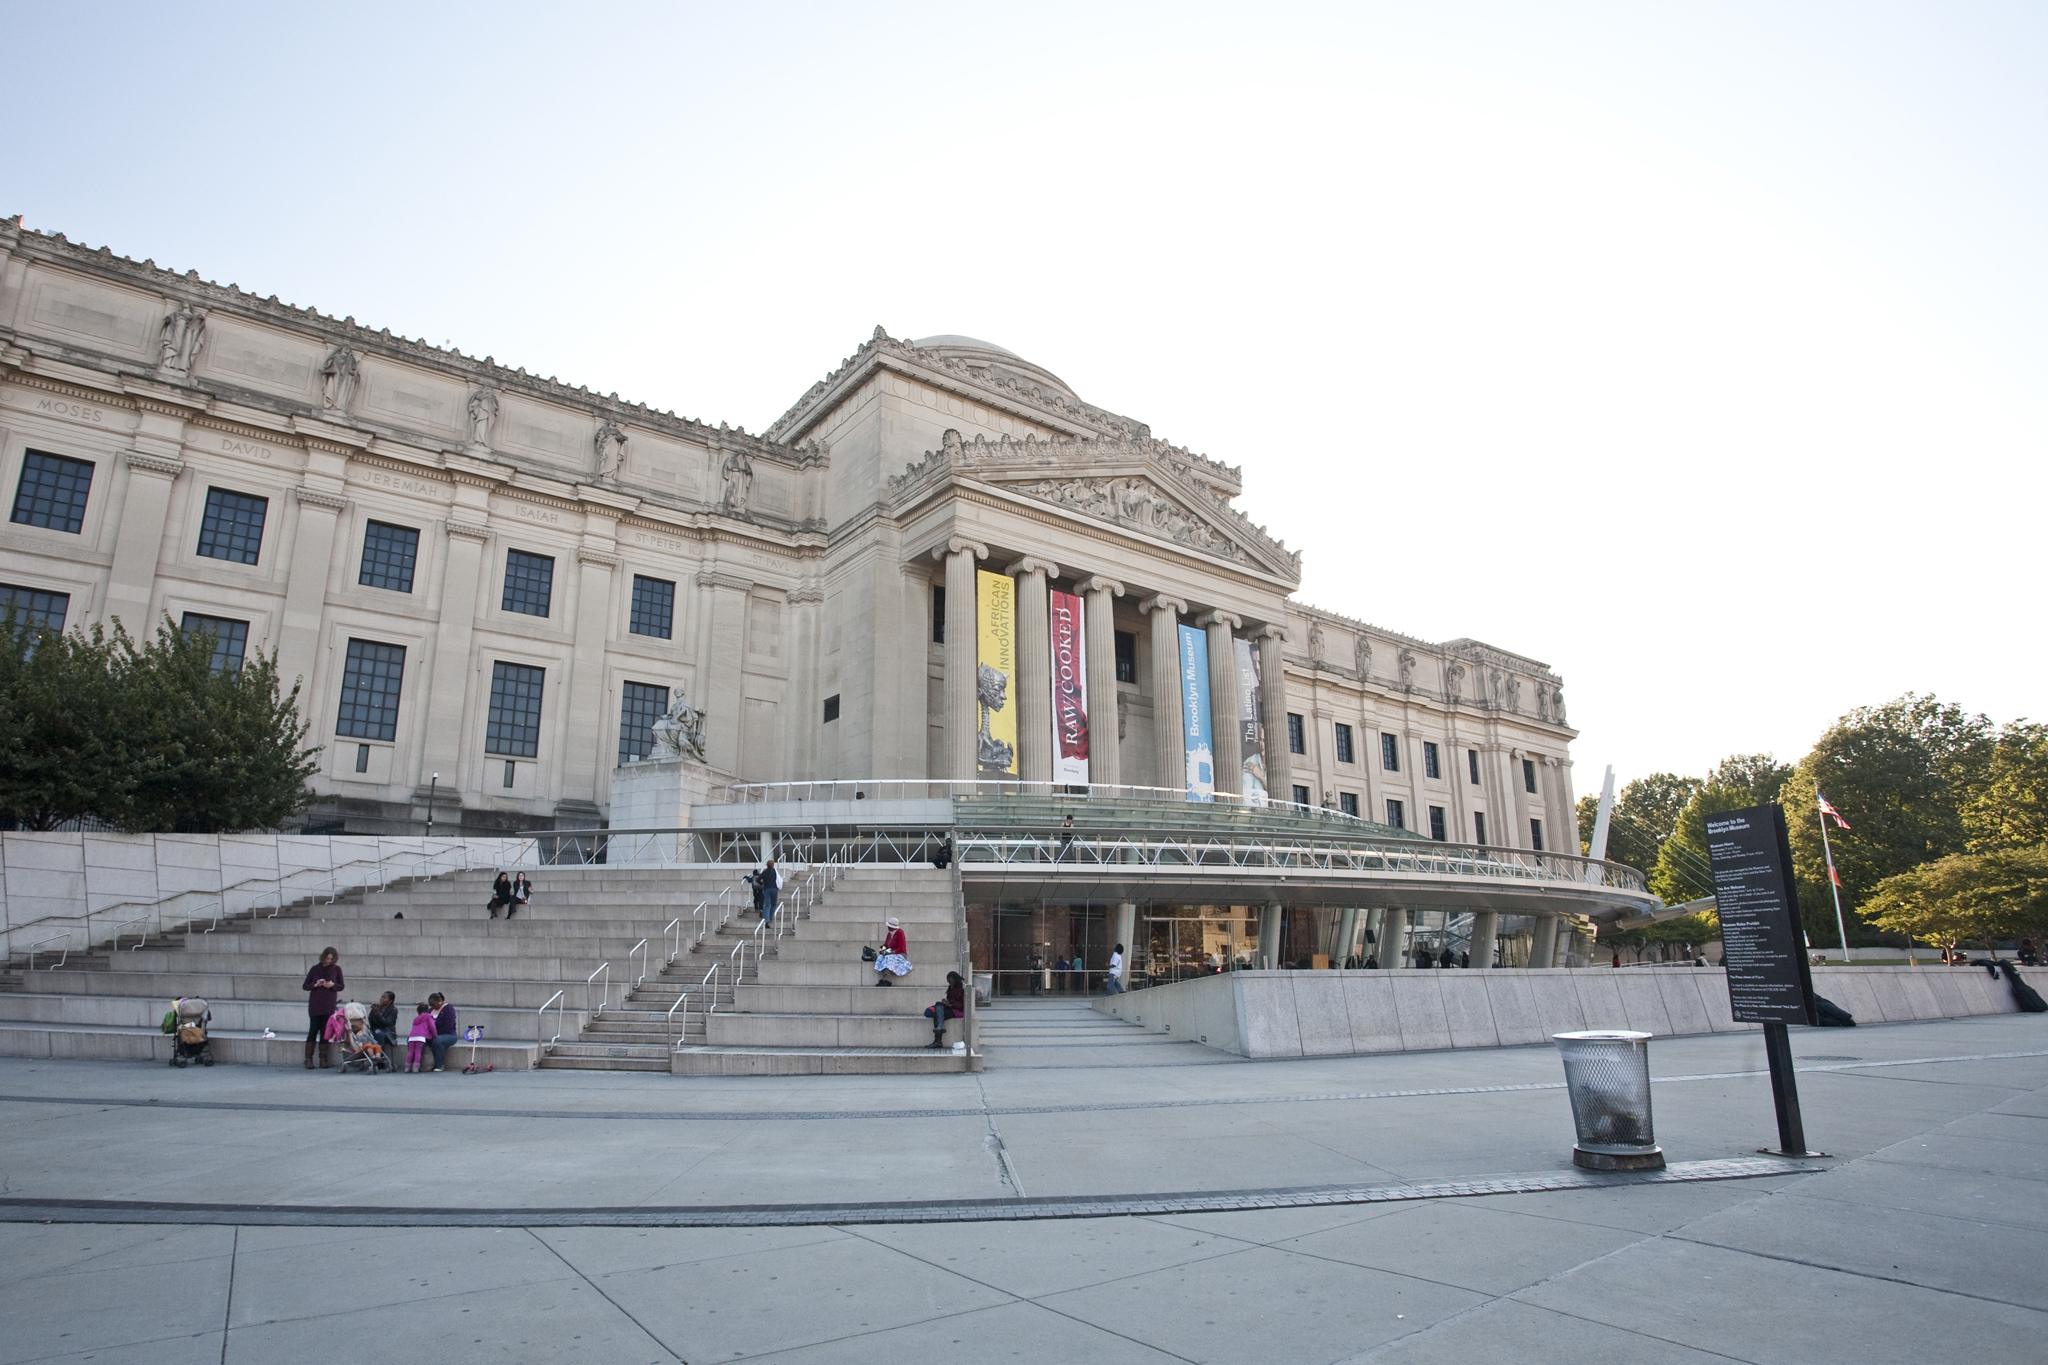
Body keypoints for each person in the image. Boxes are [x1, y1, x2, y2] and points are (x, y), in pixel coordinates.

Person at [302, 947, 344, 1069]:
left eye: (331, 959)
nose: (329, 961)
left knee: (325, 1032)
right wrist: (315, 985)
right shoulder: (315, 969)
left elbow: (341, 986)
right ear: (323, 957)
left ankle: (323, 1058)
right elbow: (305, 985)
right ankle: (308, 1059)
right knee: (313, 1030)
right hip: (316, 1003)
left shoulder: (336, 969)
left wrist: (332, 985)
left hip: (328, 1003)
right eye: (327, 958)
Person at [924, 971, 966, 1049]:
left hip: (957, 1011)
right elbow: (950, 999)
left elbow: (962, 1005)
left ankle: (938, 1041)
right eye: (948, 982)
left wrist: (950, 1004)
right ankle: (941, 1026)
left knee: (937, 1014)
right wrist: (946, 1002)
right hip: (949, 1008)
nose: (950, 984)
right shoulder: (950, 988)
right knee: (935, 1006)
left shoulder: (962, 989)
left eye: (950, 982)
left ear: (955, 980)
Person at [427, 992, 458, 1071]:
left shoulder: (448, 1009)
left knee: (437, 1041)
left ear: (439, 1001)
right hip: (432, 1034)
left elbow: (449, 1025)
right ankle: (417, 1064)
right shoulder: (430, 1010)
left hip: (448, 1034)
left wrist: (435, 1034)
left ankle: (439, 1065)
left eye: (433, 1004)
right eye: (430, 1005)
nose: (432, 1006)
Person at [874, 917, 910, 985]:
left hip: (900, 954)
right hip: (891, 953)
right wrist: (882, 949)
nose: (888, 927)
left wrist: (891, 952)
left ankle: (888, 980)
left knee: (888, 958)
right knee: (880, 958)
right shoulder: (889, 934)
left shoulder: (900, 933)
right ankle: (882, 979)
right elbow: (886, 945)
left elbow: (901, 948)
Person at [405, 1002, 436, 1073]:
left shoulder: (416, 1019)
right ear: (427, 1010)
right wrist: (435, 1035)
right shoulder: (428, 1017)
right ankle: (415, 1068)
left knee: (410, 1051)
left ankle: (407, 1067)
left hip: (412, 1036)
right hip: (421, 1036)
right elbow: (432, 1027)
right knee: (417, 1051)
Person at [758, 859, 780, 925]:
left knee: (767, 905)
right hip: (774, 889)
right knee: (773, 904)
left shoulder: (764, 872)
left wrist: (762, 884)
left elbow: (758, 879)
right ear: (773, 864)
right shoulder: (774, 871)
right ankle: (770, 918)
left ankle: (766, 919)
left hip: (766, 889)